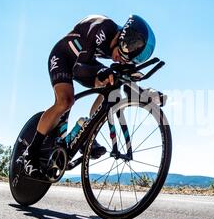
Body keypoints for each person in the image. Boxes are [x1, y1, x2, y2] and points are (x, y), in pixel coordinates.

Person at [22, 14, 156, 179]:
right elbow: (79, 68)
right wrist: (101, 71)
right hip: (63, 56)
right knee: (65, 101)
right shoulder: (103, 27)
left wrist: (144, 93)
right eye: (125, 53)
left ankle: (86, 132)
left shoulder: (121, 50)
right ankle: (30, 154)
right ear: (124, 38)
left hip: (84, 61)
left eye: (129, 58)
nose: (123, 59)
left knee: (114, 84)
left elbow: (127, 80)